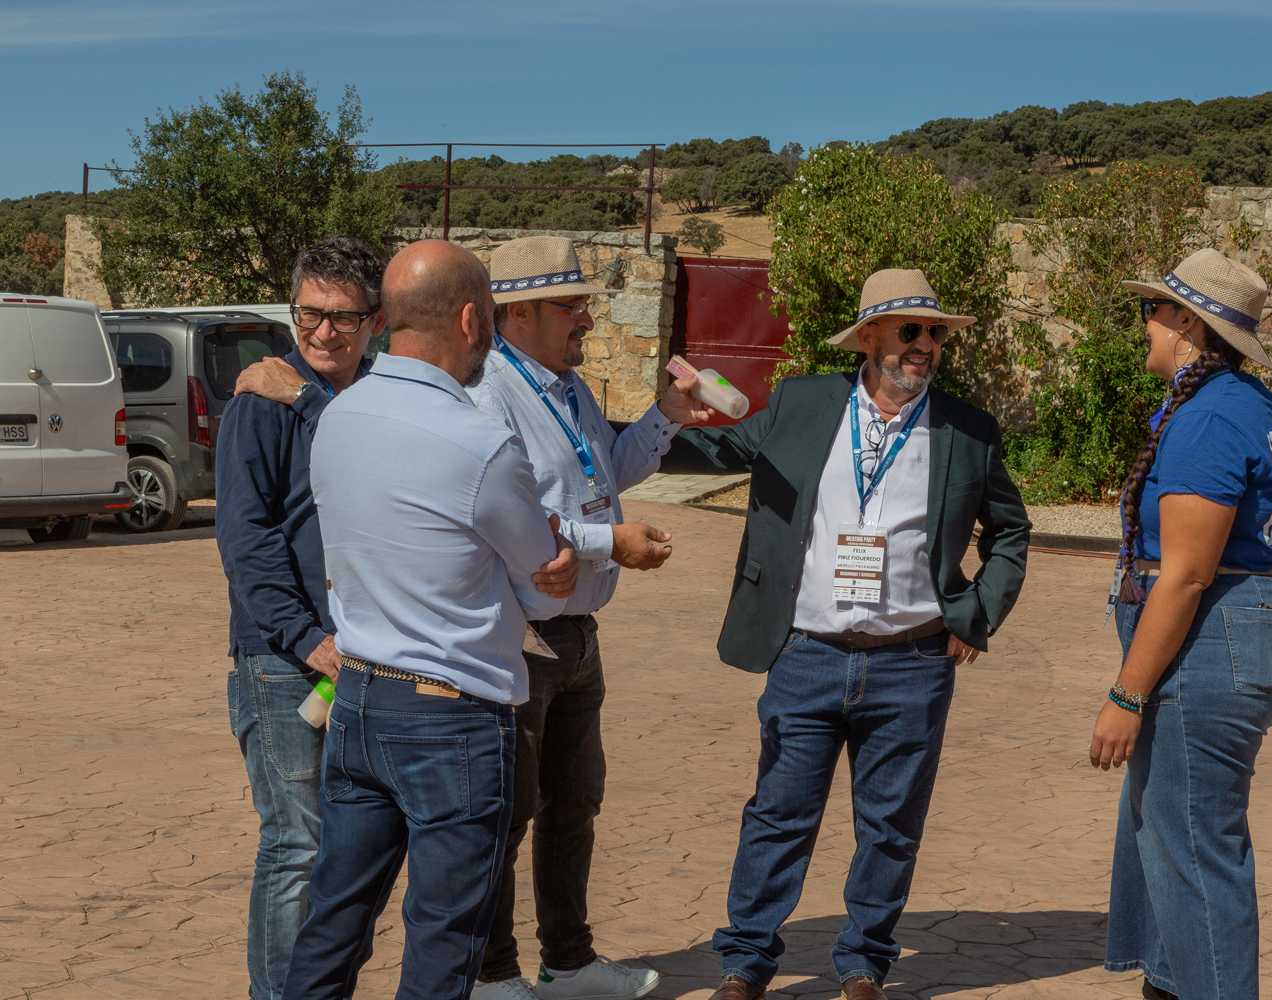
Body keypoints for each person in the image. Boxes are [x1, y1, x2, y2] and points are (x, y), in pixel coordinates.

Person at [661, 269, 1031, 1000]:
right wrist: (654, 424)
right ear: (868, 338)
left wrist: (977, 614)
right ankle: (745, 963)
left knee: (891, 825)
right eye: (909, 330)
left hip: (913, 661)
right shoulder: (804, 402)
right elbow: (718, 454)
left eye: (935, 333)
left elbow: (1010, 531)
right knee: (778, 815)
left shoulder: (967, 429)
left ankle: (863, 964)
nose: (925, 345)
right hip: (807, 654)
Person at [279, 239, 581, 1000]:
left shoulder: (339, 416)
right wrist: (552, 563)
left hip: (358, 699)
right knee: (445, 941)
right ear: (472, 320)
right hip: (451, 718)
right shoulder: (481, 442)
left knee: (334, 919)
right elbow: (544, 588)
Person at [468, 236, 715, 1000]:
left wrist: (667, 415)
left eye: (585, 304)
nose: (587, 318)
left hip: (575, 636)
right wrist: (612, 544)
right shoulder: (486, 394)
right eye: (572, 305)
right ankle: (490, 976)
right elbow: (508, 519)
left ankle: (568, 964)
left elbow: (607, 468)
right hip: (519, 639)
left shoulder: (566, 385)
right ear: (519, 313)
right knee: (505, 814)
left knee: (574, 805)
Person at [1093, 247, 1272, 1000]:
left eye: (1152, 310)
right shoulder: (1248, 402)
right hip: (1252, 624)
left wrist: (1126, 695)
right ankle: (1170, 981)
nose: (1145, 324)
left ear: (1187, 323)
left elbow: (1186, 574)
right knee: (1171, 828)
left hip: (1216, 640)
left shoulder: (1210, 418)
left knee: (1193, 844)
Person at [216, 235, 385, 1000]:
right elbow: (246, 540)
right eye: (309, 313)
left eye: (342, 317)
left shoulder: (378, 399)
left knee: (352, 849)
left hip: (371, 655)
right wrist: (306, 639)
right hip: (287, 663)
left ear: (376, 322)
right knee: (297, 844)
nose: (323, 332)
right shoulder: (258, 405)